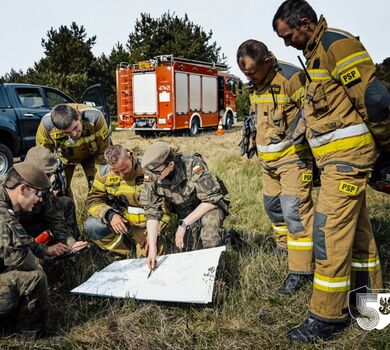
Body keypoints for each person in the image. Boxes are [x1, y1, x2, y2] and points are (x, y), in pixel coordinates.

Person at [272, 0, 387, 342]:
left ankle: (327, 316)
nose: (285, 43)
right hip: (336, 163)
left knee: (328, 235)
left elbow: (375, 100)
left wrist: (387, 150)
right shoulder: (316, 52)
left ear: (305, 23)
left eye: (287, 34)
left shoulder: (336, 44)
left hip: (347, 162)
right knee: (359, 237)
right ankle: (373, 311)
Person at [237, 39, 315, 294]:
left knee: (295, 211)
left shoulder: (292, 78)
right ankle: (284, 247)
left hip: (293, 159)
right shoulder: (256, 84)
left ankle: (302, 269)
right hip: (267, 163)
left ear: (267, 62)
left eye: (251, 71)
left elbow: (313, 111)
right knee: (273, 207)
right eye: (245, 73)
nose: (248, 77)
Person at [0, 162, 70, 336]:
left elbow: (16, 240)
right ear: (23, 189)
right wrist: (44, 260)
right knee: (35, 277)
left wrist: (46, 250)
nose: (40, 199)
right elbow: (24, 260)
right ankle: (30, 335)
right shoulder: (3, 217)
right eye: (38, 193)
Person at [140, 142, 230, 270]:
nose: (155, 177)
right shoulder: (153, 172)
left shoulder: (192, 163)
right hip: (185, 210)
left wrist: (184, 224)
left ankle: (216, 274)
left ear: (170, 164)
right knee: (190, 250)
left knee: (210, 237)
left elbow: (212, 199)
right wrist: (153, 248)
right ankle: (227, 237)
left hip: (208, 206)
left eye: (158, 173)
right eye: (152, 172)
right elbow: (152, 211)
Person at [84, 144, 169, 258]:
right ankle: (126, 252)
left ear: (130, 156)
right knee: (92, 226)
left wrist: (154, 233)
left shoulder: (149, 168)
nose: (122, 175)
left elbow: (167, 204)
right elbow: (92, 200)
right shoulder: (104, 174)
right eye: (116, 172)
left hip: (147, 224)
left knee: (149, 258)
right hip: (121, 221)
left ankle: (140, 250)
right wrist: (110, 215)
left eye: (124, 169)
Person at [19, 146, 88, 252]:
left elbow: (54, 216)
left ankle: (70, 245)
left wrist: (70, 243)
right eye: (46, 174)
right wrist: (45, 251)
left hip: (36, 220)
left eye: (49, 174)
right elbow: (10, 231)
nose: (49, 179)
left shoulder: (43, 186)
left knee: (65, 202)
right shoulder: (14, 188)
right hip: (17, 231)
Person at [36, 103, 111, 192]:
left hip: (91, 155)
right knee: (61, 190)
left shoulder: (95, 118)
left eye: (75, 127)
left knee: (97, 187)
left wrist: (101, 176)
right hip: (64, 158)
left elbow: (104, 151)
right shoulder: (46, 126)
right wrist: (51, 178)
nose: (74, 134)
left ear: (78, 115)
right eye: (68, 133)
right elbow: (43, 157)